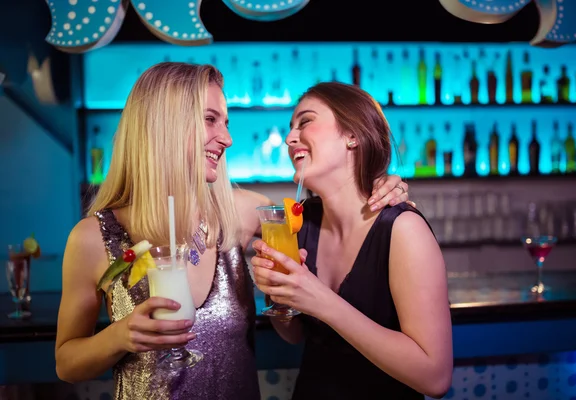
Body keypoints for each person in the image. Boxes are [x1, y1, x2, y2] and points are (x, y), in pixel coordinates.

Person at [54, 63, 411, 400]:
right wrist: (120, 336)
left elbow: (325, 212)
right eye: (211, 120)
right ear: (163, 124)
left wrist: (381, 185)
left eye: (225, 122)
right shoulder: (92, 239)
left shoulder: (243, 213)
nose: (226, 138)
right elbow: (67, 363)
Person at [251, 82, 453, 399]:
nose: (290, 138)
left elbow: (435, 378)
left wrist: (324, 302)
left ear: (353, 135)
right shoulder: (301, 221)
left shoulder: (402, 230)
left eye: (304, 122)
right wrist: (278, 294)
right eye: (291, 128)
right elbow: (295, 335)